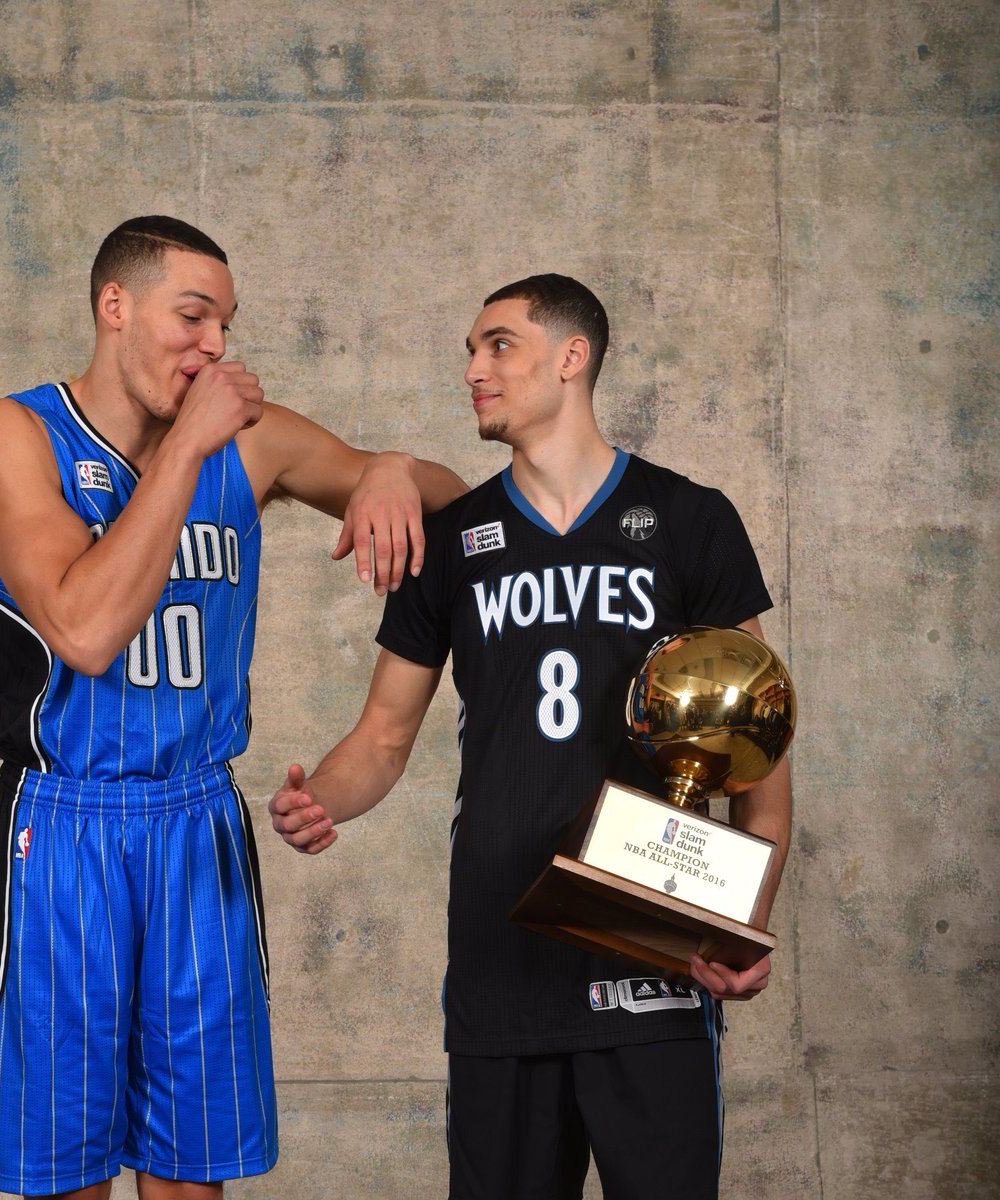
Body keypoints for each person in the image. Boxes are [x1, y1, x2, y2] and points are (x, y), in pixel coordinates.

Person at [0, 215, 466, 1200]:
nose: (215, 348)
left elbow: (455, 509)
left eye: (225, 326)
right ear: (116, 307)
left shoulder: (254, 443)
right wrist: (188, 446)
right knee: (68, 1176)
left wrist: (394, 470)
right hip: (64, 829)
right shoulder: (12, 437)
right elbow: (86, 631)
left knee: (192, 1173)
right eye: (192, 318)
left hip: (199, 823)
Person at [269, 274, 793, 1200]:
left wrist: (740, 918)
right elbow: (384, 738)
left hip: (650, 956)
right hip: (499, 958)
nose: (474, 368)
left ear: (571, 356)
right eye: (470, 350)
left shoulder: (687, 519)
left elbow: (761, 737)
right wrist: (322, 798)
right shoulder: (458, 537)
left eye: (497, 344)